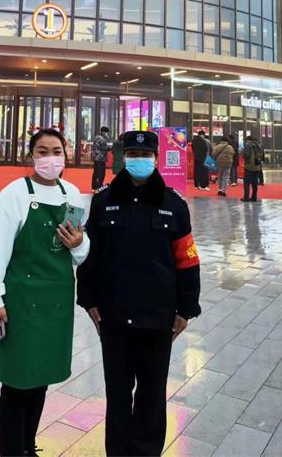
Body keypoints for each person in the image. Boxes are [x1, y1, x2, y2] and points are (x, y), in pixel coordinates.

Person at [77, 130, 200, 457]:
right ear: (123, 158)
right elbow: (91, 254)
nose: (139, 160)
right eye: (133, 154)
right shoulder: (103, 201)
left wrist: (186, 308)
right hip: (114, 316)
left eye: (145, 155)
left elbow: (187, 259)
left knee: (152, 395)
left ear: (156, 159)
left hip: (158, 318)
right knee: (117, 395)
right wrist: (88, 299)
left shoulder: (173, 204)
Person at [0, 128, 90, 457]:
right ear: (31, 155)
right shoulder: (14, 195)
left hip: (56, 302)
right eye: (42, 151)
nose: (50, 158)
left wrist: (78, 243)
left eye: (56, 151)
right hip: (21, 303)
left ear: (65, 155)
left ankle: (27, 447)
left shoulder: (72, 194)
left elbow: (80, 254)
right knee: (16, 383)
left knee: (40, 378)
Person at [241, 135, 265, 202]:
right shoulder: (260, 146)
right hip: (257, 167)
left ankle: (246, 197)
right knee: (255, 183)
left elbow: (246, 155)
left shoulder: (248, 145)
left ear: (248, 140)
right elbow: (262, 156)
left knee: (247, 183)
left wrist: (243, 152)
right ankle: (254, 197)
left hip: (249, 167)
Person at [92, 126, 111, 190]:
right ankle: (99, 186)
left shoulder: (96, 137)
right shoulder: (102, 139)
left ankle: (94, 186)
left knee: (96, 173)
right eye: (106, 132)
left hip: (96, 157)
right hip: (101, 158)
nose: (107, 134)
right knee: (101, 173)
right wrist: (112, 147)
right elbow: (105, 148)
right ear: (103, 132)